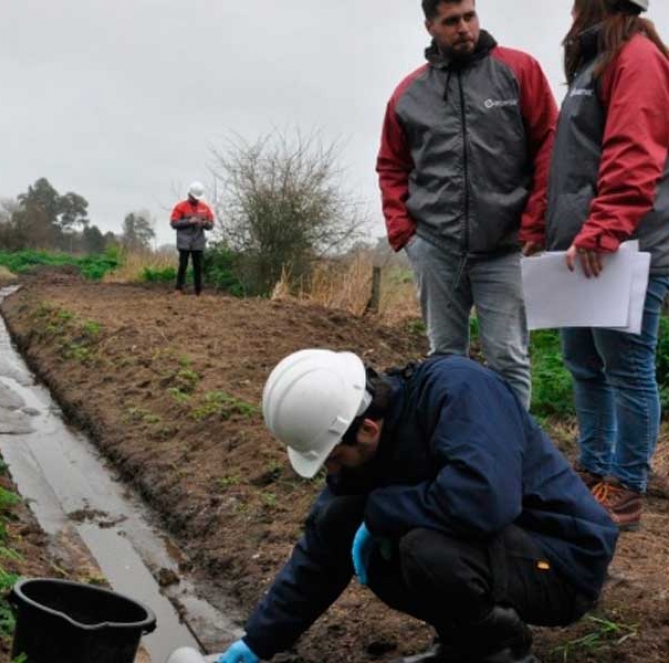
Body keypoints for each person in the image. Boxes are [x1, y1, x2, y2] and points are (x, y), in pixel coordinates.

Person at [219, 350, 618, 663]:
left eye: (334, 458)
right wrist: (258, 641)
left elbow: (484, 500)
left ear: (368, 429)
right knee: (343, 521)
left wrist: (379, 514)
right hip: (501, 552)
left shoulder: (458, 391)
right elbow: (322, 550)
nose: (332, 471)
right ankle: (462, 647)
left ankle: (504, 655)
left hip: (563, 560)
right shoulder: (368, 442)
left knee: (422, 548)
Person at [376, 0, 558, 410]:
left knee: (509, 359)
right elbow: (391, 165)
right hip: (436, 247)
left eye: (469, 17)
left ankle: (513, 456)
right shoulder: (408, 95)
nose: (464, 28)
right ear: (430, 26)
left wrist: (535, 221)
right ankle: (456, 448)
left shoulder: (519, 71)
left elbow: (550, 142)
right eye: (451, 21)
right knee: (445, 359)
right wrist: (404, 233)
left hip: (504, 247)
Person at [529, 0, 669, 530]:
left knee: (628, 370)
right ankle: (594, 473)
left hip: (627, 248)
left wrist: (605, 227)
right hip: (585, 246)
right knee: (585, 364)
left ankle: (627, 489)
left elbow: (635, 152)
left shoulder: (636, 58)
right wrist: (541, 227)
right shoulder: (595, 63)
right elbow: (572, 163)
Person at [170, 181, 215, 296]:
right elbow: (174, 223)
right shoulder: (180, 207)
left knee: (198, 267)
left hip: (198, 242)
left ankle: (199, 291)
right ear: (189, 194)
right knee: (183, 265)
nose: (195, 200)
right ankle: (179, 289)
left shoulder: (205, 208)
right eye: (194, 197)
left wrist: (205, 223)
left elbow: (211, 224)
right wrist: (188, 222)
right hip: (184, 241)